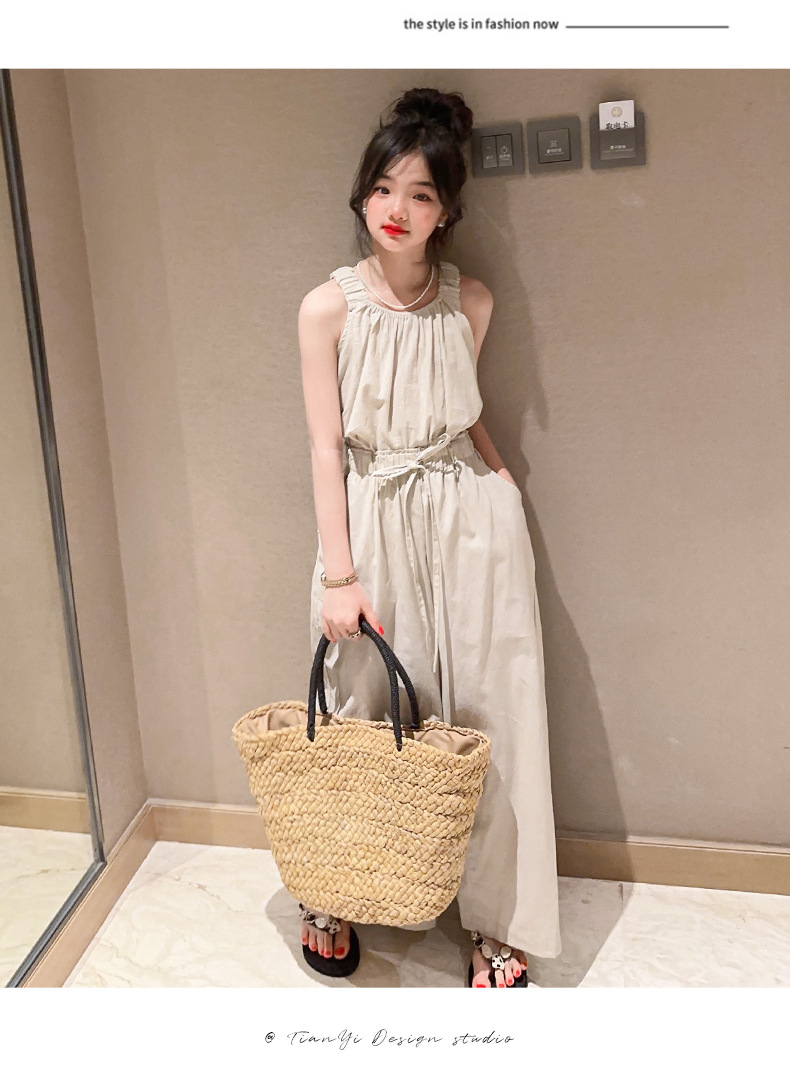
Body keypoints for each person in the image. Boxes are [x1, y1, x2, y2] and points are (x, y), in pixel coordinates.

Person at [297, 87, 562, 988]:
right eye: (383, 188)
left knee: (489, 713)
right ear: (361, 194)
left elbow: (460, 406)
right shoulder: (326, 309)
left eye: (419, 194)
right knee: (358, 703)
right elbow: (325, 446)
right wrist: (340, 576)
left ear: (447, 209)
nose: (397, 210)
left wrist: (500, 478)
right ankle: (334, 887)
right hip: (371, 515)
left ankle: (494, 922)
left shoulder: (470, 301)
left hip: (470, 520)